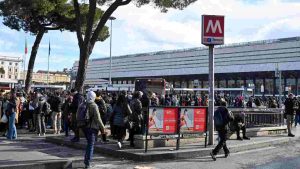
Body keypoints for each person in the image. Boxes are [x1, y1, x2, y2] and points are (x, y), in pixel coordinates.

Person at [82, 91, 105, 168]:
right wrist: (103, 128)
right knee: (90, 145)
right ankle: (87, 163)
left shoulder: (83, 104)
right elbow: (98, 118)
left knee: (89, 144)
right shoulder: (94, 105)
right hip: (92, 127)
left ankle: (86, 160)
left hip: (84, 127)